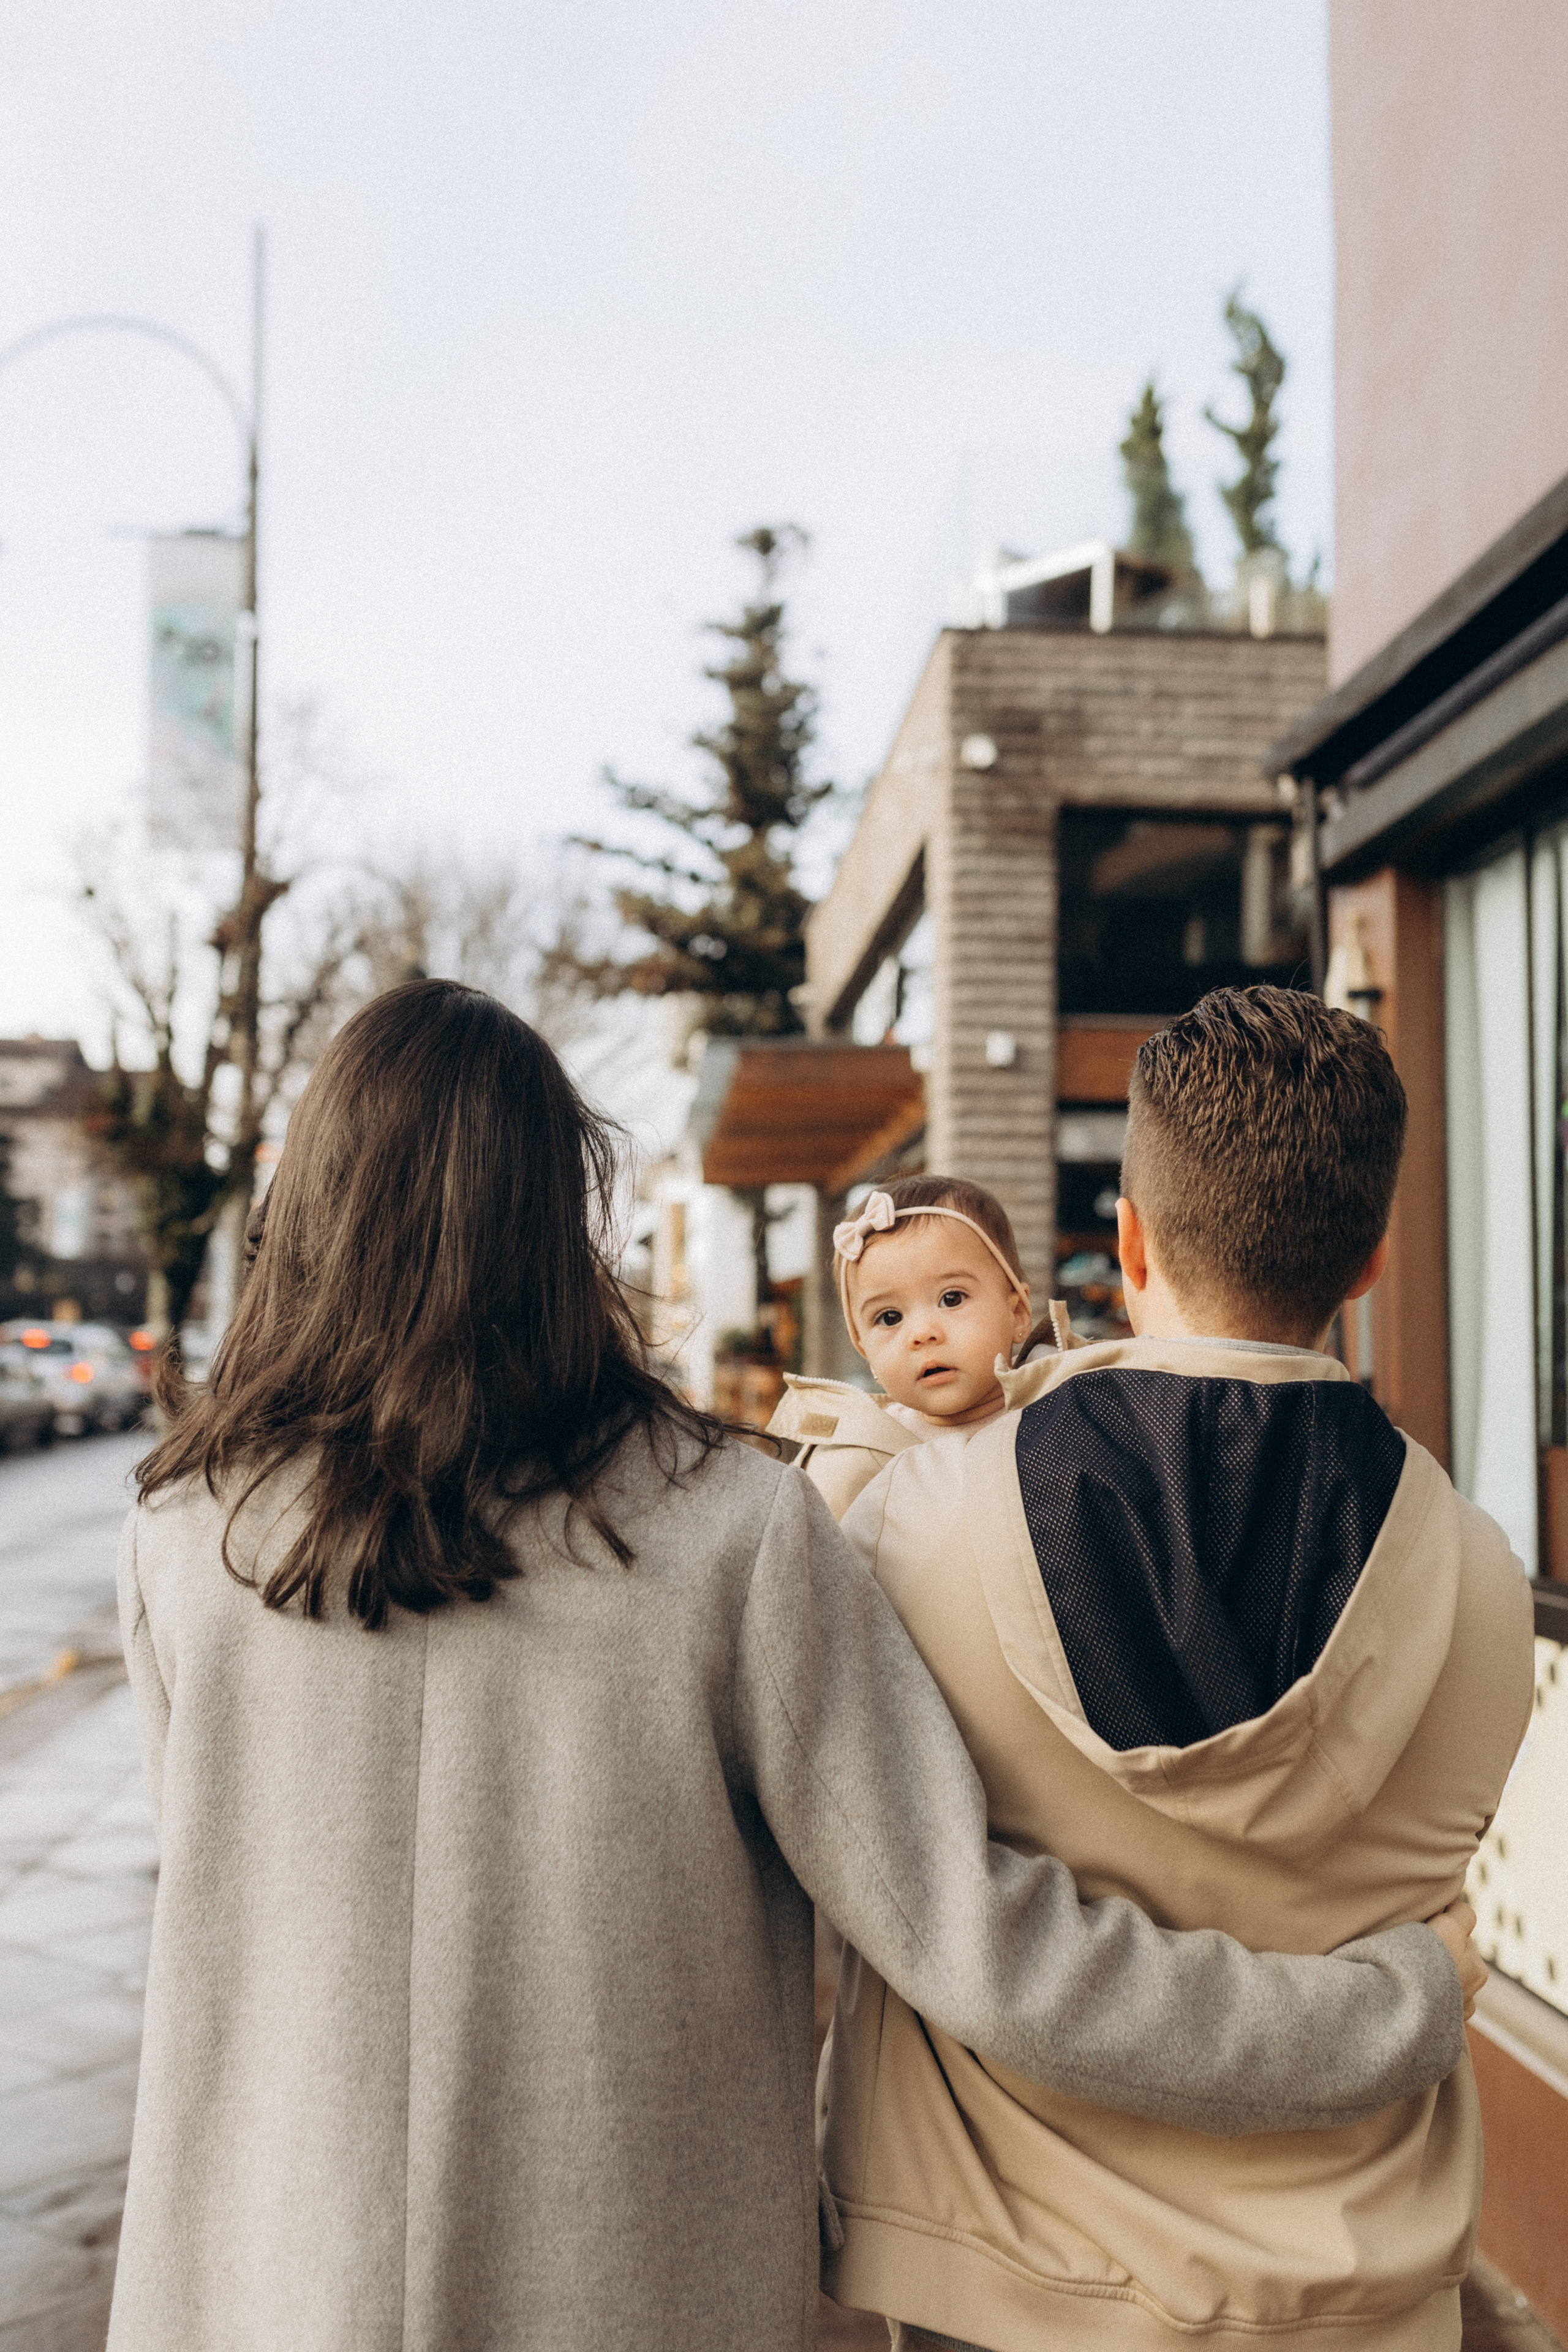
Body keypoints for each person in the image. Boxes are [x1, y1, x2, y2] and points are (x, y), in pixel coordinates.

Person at [109, 981, 1483, 2352]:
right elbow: (980, 1944)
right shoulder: (725, 1531)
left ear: (312, 1215)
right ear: (562, 1224)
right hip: (629, 2293)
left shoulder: (181, 1540)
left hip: (259, 2284)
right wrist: (1384, 2007)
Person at [811, 986, 1533, 2352]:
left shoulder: (912, 1527)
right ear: (1369, 1260)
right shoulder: (1485, 1586)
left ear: (1124, 1238)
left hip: (1001, 2280)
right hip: (1357, 2293)